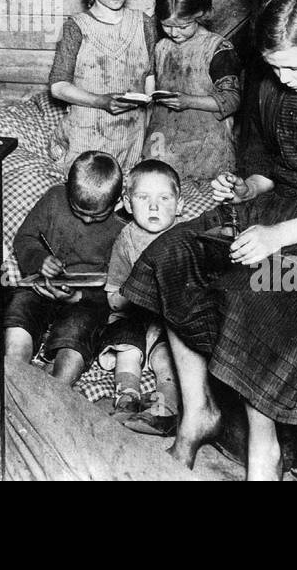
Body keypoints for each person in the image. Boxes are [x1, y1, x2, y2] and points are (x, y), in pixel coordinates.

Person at [121, 0, 297, 478]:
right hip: (278, 208)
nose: (283, 79)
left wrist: (275, 236)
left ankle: (263, 452)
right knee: (172, 254)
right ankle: (197, 414)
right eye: (274, 68)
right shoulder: (276, 87)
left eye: (292, 66)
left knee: (258, 295)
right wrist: (249, 185)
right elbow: (274, 166)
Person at [3, 151, 126, 386]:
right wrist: (40, 259)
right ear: (67, 188)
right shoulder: (54, 198)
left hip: (84, 302)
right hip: (40, 288)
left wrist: (80, 296)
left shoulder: (121, 229)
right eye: (79, 212)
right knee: (19, 311)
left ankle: (58, 390)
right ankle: (13, 378)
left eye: (98, 215)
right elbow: (25, 237)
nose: (87, 221)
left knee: (77, 336)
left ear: (118, 201)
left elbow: (116, 286)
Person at [48, 0, 158, 173]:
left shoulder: (144, 23)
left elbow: (149, 79)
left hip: (131, 138)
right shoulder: (76, 27)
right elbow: (58, 87)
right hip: (87, 135)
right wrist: (101, 101)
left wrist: (148, 129)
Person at [98, 159, 182, 436]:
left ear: (179, 205)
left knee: (168, 361)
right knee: (128, 352)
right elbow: (113, 293)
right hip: (133, 316)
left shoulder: (185, 237)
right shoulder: (126, 239)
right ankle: (127, 397)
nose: (154, 206)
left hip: (168, 322)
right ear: (128, 204)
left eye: (164, 198)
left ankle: (162, 408)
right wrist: (135, 298)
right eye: (143, 198)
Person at [144, 0, 241, 181]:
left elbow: (232, 100)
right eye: (166, 25)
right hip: (165, 140)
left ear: (199, 15)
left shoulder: (217, 48)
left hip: (207, 147)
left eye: (183, 26)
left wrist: (188, 101)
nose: (174, 32)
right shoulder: (161, 47)